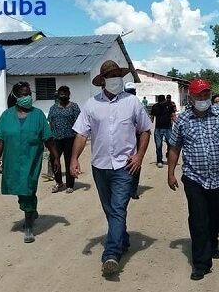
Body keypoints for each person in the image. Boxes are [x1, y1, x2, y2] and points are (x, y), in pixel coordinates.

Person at [70, 60, 152, 276]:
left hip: (125, 167)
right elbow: (81, 134)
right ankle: (123, 240)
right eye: (111, 75)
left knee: (117, 209)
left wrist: (139, 156)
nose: (116, 79)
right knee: (110, 210)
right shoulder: (91, 105)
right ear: (102, 81)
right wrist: (73, 159)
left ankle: (111, 255)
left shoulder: (133, 102)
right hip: (100, 166)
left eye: (118, 75)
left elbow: (145, 130)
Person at [167, 79, 219, 281]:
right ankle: (201, 264)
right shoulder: (183, 120)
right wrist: (170, 173)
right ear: (191, 97)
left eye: (206, 94)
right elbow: (174, 147)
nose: (203, 99)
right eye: (199, 95)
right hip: (194, 178)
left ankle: (213, 240)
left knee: (217, 215)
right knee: (198, 219)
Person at [0, 81, 60, 243]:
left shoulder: (38, 115)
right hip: (12, 160)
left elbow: (48, 139)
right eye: (24, 95)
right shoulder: (6, 115)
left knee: (27, 189)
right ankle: (31, 209)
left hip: (31, 160)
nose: (27, 97)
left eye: (29, 94)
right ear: (16, 96)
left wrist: (56, 157)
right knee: (19, 189)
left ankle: (29, 226)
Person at [48, 85, 81, 194]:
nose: (63, 96)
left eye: (65, 94)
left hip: (70, 138)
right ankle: (59, 182)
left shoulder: (74, 107)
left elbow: (79, 123)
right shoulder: (53, 108)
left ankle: (70, 185)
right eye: (61, 94)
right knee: (54, 160)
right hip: (56, 139)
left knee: (69, 161)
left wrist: (78, 137)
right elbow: (50, 123)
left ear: (68, 95)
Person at [124, 82, 142, 200]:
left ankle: (133, 190)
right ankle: (124, 188)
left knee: (136, 163)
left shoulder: (138, 105)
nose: (131, 95)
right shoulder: (119, 105)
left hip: (136, 136)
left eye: (133, 92)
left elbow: (144, 126)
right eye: (129, 92)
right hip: (123, 138)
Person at [150, 94, 176, 168]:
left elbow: (173, 115)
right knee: (158, 145)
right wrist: (148, 126)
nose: (162, 103)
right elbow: (152, 117)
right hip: (158, 129)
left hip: (168, 128)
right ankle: (159, 161)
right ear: (158, 101)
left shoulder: (169, 105)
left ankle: (169, 155)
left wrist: (177, 123)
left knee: (171, 144)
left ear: (165, 100)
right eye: (160, 102)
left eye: (163, 101)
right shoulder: (155, 107)